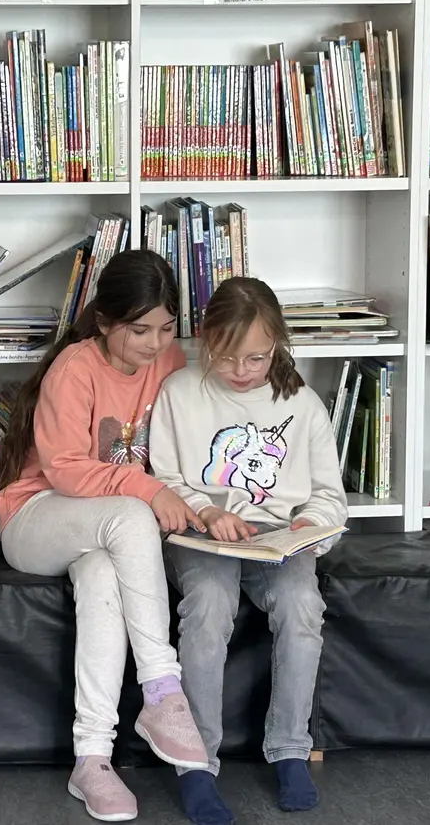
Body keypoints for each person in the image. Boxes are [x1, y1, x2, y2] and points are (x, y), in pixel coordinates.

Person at [0, 249, 212, 822]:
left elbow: (180, 450)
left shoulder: (171, 365)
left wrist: (194, 502)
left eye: (166, 328)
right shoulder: (76, 367)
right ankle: (163, 689)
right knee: (133, 514)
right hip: (38, 517)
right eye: (140, 329)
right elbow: (64, 468)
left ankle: (91, 757)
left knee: (100, 578)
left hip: (103, 537)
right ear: (106, 321)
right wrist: (152, 492)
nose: (155, 343)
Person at [148, 277, 347, 825]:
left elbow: (330, 495)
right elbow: (161, 477)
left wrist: (308, 525)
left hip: (278, 537)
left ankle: (289, 750)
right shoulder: (180, 391)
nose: (242, 371)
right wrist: (207, 511)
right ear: (205, 339)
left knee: (302, 605)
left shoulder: (301, 403)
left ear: (278, 344)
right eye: (228, 357)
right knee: (209, 606)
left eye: (257, 358)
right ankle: (197, 763)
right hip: (200, 530)